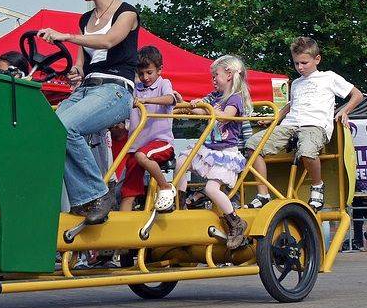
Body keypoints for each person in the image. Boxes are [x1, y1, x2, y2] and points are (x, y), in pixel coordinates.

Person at [37, 0, 138, 224]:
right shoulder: (84, 20)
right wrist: (75, 71)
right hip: (89, 89)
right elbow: (82, 64)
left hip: (116, 89)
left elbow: (108, 41)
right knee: (48, 130)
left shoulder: (126, 12)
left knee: (65, 126)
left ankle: (96, 194)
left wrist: (65, 36)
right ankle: (72, 200)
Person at [244, 37, 364, 211]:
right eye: (296, 63)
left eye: (304, 63)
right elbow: (291, 104)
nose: (300, 67)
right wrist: (274, 119)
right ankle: (263, 194)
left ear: (317, 59)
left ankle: (317, 186)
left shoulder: (328, 77)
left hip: (314, 125)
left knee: (307, 151)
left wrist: (344, 111)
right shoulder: (297, 83)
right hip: (290, 125)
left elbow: (357, 95)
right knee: (252, 145)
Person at [175, 55, 253, 249]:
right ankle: (180, 203)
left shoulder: (234, 98)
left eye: (215, 75)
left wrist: (207, 109)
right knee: (181, 161)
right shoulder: (213, 97)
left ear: (228, 75)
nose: (213, 80)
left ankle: (235, 222)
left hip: (225, 153)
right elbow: (202, 112)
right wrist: (189, 105)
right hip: (209, 149)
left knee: (211, 189)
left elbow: (227, 116)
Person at [119, 46, 176, 212]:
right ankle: (120, 228)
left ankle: (165, 187)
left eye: (149, 72)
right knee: (127, 192)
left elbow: (169, 98)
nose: (145, 77)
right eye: (141, 73)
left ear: (159, 70)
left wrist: (147, 101)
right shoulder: (135, 89)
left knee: (142, 156)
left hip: (160, 142)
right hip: (136, 146)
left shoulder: (163, 84)